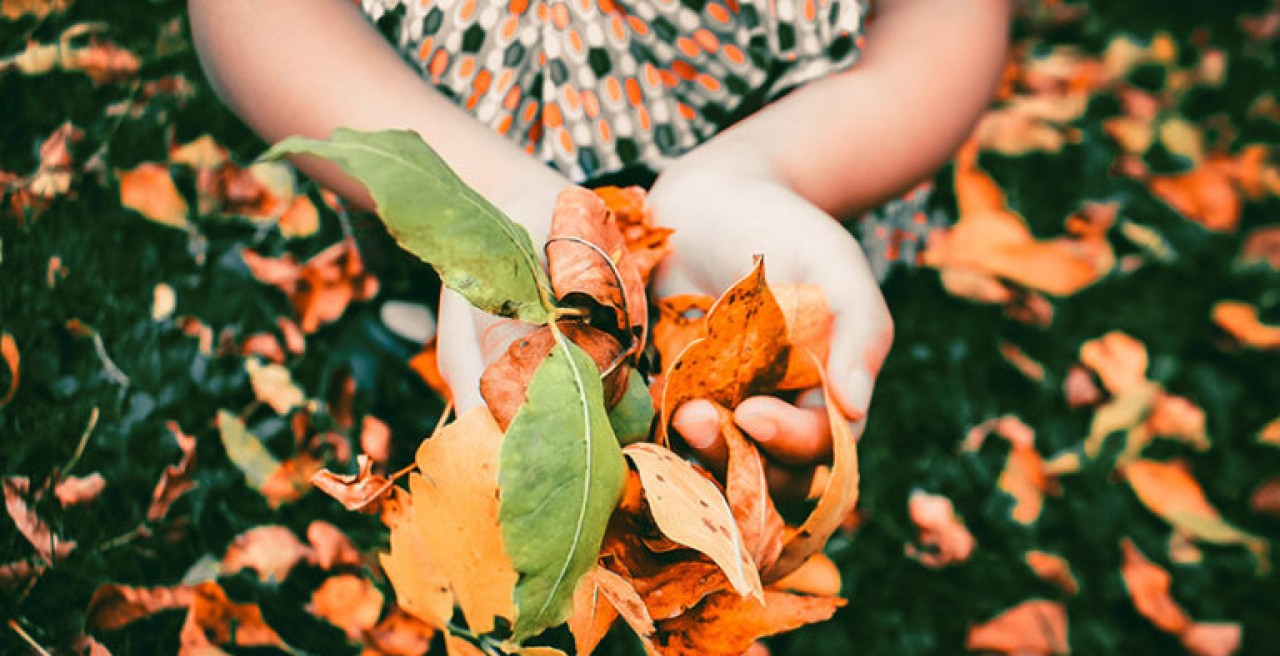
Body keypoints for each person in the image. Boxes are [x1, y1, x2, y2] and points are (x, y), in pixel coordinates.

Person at [188, 0, 1010, 477]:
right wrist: (487, 202)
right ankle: (420, 312)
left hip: (791, 137)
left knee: (742, 368)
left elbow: (943, 23)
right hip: (444, 120)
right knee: (459, 300)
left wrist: (774, 170)